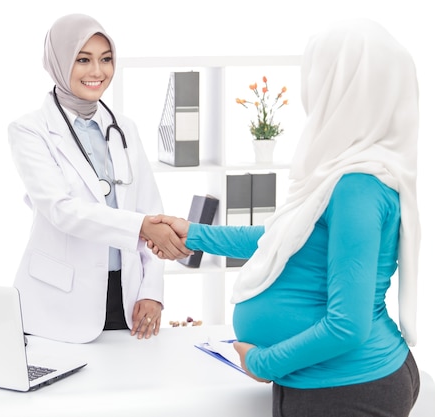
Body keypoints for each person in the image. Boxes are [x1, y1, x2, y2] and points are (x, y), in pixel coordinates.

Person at [149, 19, 421, 417]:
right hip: (333, 385)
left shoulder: (356, 187)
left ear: (342, 88)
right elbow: (283, 238)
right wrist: (195, 234)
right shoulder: (346, 172)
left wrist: (259, 362)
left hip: (346, 390)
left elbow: (348, 326)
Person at [7, 13, 191, 344]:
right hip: (59, 302)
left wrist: (152, 290)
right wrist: (141, 227)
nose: (97, 71)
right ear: (60, 62)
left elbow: (152, 209)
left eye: (105, 59)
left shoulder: (125, 128)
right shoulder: (30, 131)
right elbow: (61, 209)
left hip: (126, 297)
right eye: (83, 59)